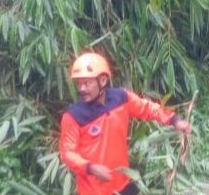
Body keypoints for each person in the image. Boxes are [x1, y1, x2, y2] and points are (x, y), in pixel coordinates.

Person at [60, 52, 191, 195]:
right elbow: (68, 153)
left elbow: (147, 108)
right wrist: (90, 167)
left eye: (86, 83)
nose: (81, 89)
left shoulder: (121, 98)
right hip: (94, 191)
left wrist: (174, 120)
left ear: (103, 80)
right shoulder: (73, 116)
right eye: (79, 84)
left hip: (122, 183)